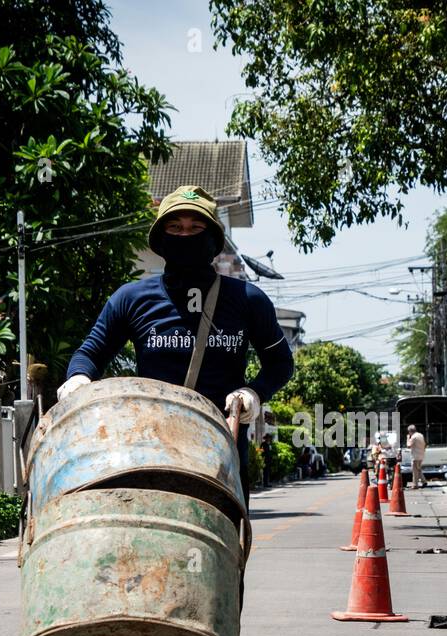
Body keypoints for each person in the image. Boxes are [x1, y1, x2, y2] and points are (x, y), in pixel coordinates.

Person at [58, 185, 294, 505]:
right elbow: (90, 352)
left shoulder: (247, 299)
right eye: (175, 228)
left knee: (220, 546)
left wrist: (254, 392)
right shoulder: (131, 298)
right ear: (160, 239)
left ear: (213, 240)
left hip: (221, 454)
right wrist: (78, 379)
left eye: (196, 228)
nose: (186, 235)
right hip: (149, 453)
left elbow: (280, 362)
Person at [406, 423, 427, 488]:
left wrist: (407, 438)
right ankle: (424, 481)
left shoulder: (413, 437)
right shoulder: (420, 435)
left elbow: (408, 445)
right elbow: (425, 444)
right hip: (421, 455)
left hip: (415, 456)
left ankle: (415, 484)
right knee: (418, 469)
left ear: (410, 431)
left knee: (415, 471)